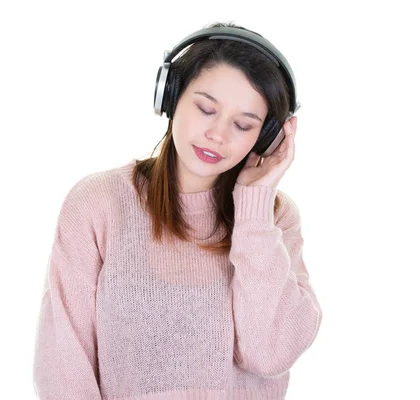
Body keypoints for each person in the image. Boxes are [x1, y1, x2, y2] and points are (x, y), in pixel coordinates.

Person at [32, 21, 322, 400]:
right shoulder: (98, 203)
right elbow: (62, 363)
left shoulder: (274, 219)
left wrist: (254, 209)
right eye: (205, 108)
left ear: (266, 137)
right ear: (169, 98)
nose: (218, 134)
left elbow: (269, 354)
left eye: (243, 124)